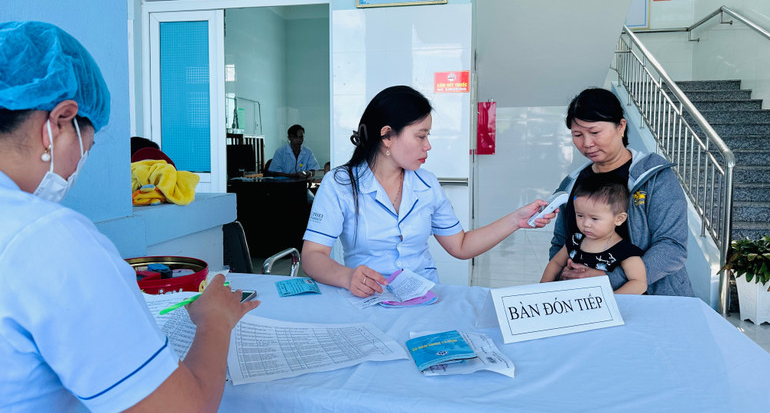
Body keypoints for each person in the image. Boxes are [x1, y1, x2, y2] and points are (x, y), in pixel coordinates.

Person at [0, 21, 260, 412]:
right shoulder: (48, 238)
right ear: (60, 120)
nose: (77, 167)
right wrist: (215, 320)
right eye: (87, 147)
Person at [301, 85, 555, 297]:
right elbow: (313, 255)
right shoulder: (341, 184)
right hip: (368, 298)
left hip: (422, 299)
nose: (428, 145)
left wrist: (516, 220)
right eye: (421, 136)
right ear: (387, 136)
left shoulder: (427, 184)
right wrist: (348, 277)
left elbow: (461, 245)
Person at [549, 87, 694, 296]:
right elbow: (560, 242)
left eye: (595, 132)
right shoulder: (572, 183)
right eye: (578, 135)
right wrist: (561, 282)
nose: (587, 143)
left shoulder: (655, 178)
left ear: (621, 127)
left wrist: (607, 280)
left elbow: (672, 248)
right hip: (582, 300)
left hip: (650, 300)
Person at [541, 175, 647, 294]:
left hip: (602, 304)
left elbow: (639, 283)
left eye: (594, 218)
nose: (586, 224)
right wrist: (542, 289)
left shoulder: (624, 251)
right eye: (580, 215)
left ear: (619, 219)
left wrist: (609, 300)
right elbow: (556, 263)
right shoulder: (576, 239)